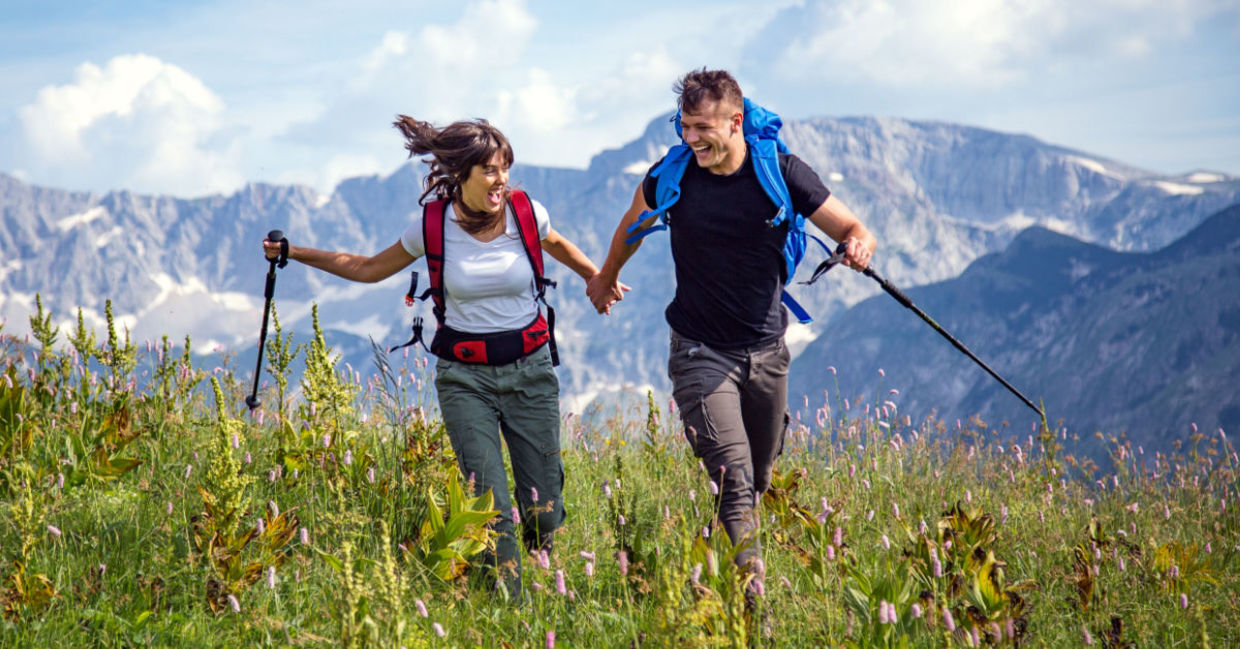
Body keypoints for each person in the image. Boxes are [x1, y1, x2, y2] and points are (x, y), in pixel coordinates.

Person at [264, 116, 604, 599]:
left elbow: (559, 246)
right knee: (489, 506)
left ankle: (539, 546)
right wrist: (294, 252)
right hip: (465, 380)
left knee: (543, 511)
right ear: (461, 175)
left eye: (505, 167)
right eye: (489, 170)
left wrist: (598, 277)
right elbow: (367, 268)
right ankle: (512, 611)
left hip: (531, 372)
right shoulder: (431, 226)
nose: (501, 179)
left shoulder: (527, 212)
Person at [586, 69, 877, 595]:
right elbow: (631, 227)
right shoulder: (671, 176)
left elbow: (856, 229)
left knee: (758, 477)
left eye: (702, 127)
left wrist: (857, 246)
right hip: (698, 351)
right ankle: (752, 593)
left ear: (735, 122)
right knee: (734, 478)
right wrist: (606, 278)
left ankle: (716, 568)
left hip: (767, 352)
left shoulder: (781, 173)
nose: (691, 138)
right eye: (685, 126)